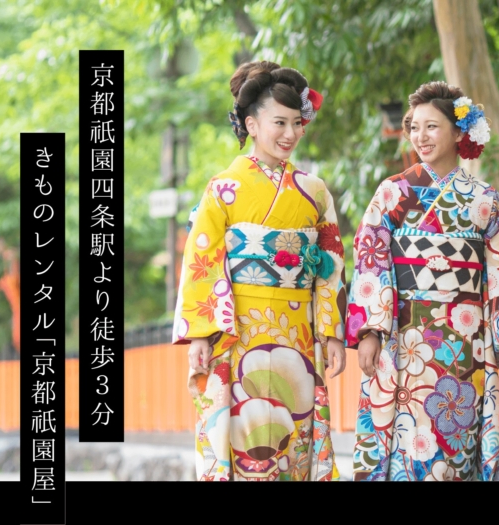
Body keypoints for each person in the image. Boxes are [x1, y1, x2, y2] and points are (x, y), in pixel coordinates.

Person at [172, 61, 347, 481]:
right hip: (239, 331)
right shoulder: (223, 188)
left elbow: (330, 266)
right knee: (242, 437)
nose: (290, 133)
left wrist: (331, 329)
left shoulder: (315, 191)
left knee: (295, 433)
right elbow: (202, 259)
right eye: (279, 122)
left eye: (297, 122)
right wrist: (199, 331)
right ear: (252, 124)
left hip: (298, 330)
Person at [345, 81, 499, 481]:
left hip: (464, 341)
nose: (420, 137)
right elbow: (370, 260)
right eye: (414, 127)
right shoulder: (393, 192)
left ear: (459, 133)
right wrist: (371, 331)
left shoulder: (486, 199)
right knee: (404, 443)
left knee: (457, 440)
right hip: (405, 335)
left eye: (432, 127)